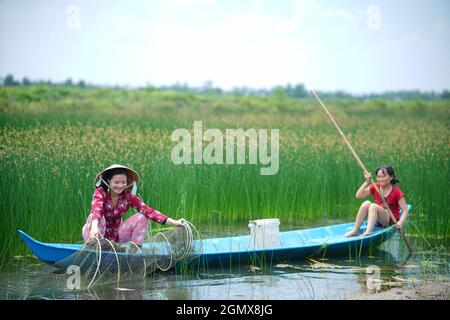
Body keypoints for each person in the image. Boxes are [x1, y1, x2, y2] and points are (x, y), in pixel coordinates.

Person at [82, 164, 185, 246]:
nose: (120, 186)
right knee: (96, 217)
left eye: (123, 182)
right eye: (116, 182)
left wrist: (175, 222)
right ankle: (96, 247)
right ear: (109, 181)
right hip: (94, 234)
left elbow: (150, 212)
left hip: (116, 237)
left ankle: (133, 254)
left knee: (142, 217)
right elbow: (97, 210)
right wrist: (94, 227)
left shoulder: (128, 197)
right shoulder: (100, 192)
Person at [344, 165, 409, 237]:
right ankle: (355, 230)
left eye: (383, 176)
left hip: (389, 220)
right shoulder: (375, 186)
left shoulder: (396, 192)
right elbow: (358, 195)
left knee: (373, 206)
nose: (380, 179)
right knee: (366, 203)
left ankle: (367, 232)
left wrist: (400, 222)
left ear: (391, 177)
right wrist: (366, 182)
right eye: (378, 177)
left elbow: (405, 210)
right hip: (377, 218)